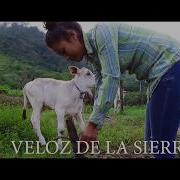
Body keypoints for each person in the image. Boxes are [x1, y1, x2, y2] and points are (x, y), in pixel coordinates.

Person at [43, 22, 180, 159]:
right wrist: (94, 125)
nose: (66, 57)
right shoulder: (93, 56)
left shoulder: (102, 32)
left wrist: (92, 124)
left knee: (161, 146)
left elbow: (112, 78)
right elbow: (101, 84)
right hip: (160, 77)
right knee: (152, 142)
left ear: (72, 36)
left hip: (170, 66)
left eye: (64, 51)